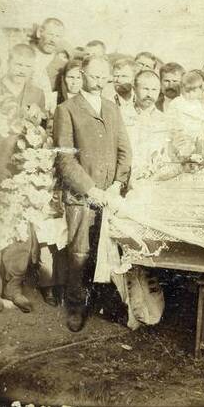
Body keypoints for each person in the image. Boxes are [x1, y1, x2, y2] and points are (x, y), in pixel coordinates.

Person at [53, 55, 132, 332]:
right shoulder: (67, 109)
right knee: (80, 254)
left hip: (109, 195)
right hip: (82, 197)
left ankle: (106, 304)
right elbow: (64, 160)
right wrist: (90, 189)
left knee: (109, 252)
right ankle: (75, 308)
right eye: (93, 75)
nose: (98, 81)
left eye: (103, 76)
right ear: (82, 74)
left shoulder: (112, 109)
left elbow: (125, 151)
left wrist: (117, 185)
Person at [0, 44, 46, 313]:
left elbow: (40, 134)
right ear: (8, 62)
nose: (21, 70)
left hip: (22, 171)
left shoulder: (37, 94)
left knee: (20, 228)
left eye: (27, 66)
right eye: (17, 64)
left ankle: (14, 286)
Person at [126, 70, 172, 176]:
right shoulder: (121, 115)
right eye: (145, 89)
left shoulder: (164, 120)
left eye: (154, 90)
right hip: (127, 178)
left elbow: (166, 155)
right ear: (134, 89)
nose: (149, 94)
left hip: (155, 178)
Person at [165, 70, 204, 150]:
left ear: (201, 90)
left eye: (194, 91)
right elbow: (169, 121)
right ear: (181, 89)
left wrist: (202, 132)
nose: (190, 94)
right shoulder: (176, 103)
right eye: (187, 91)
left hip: (196, 135)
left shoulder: (198, 104)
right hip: (181, 135)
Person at [29, 17, 67, 108]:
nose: (53, 40)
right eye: (50, 34)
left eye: (58, 36)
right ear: (39, 33)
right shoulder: (26, 56)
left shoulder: (62, 65)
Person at [105, 58, 139, 123]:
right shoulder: (107, 101)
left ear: (134, 79)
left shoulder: (140, 100)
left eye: (124, 76)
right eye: (116, 76)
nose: (118, 80)